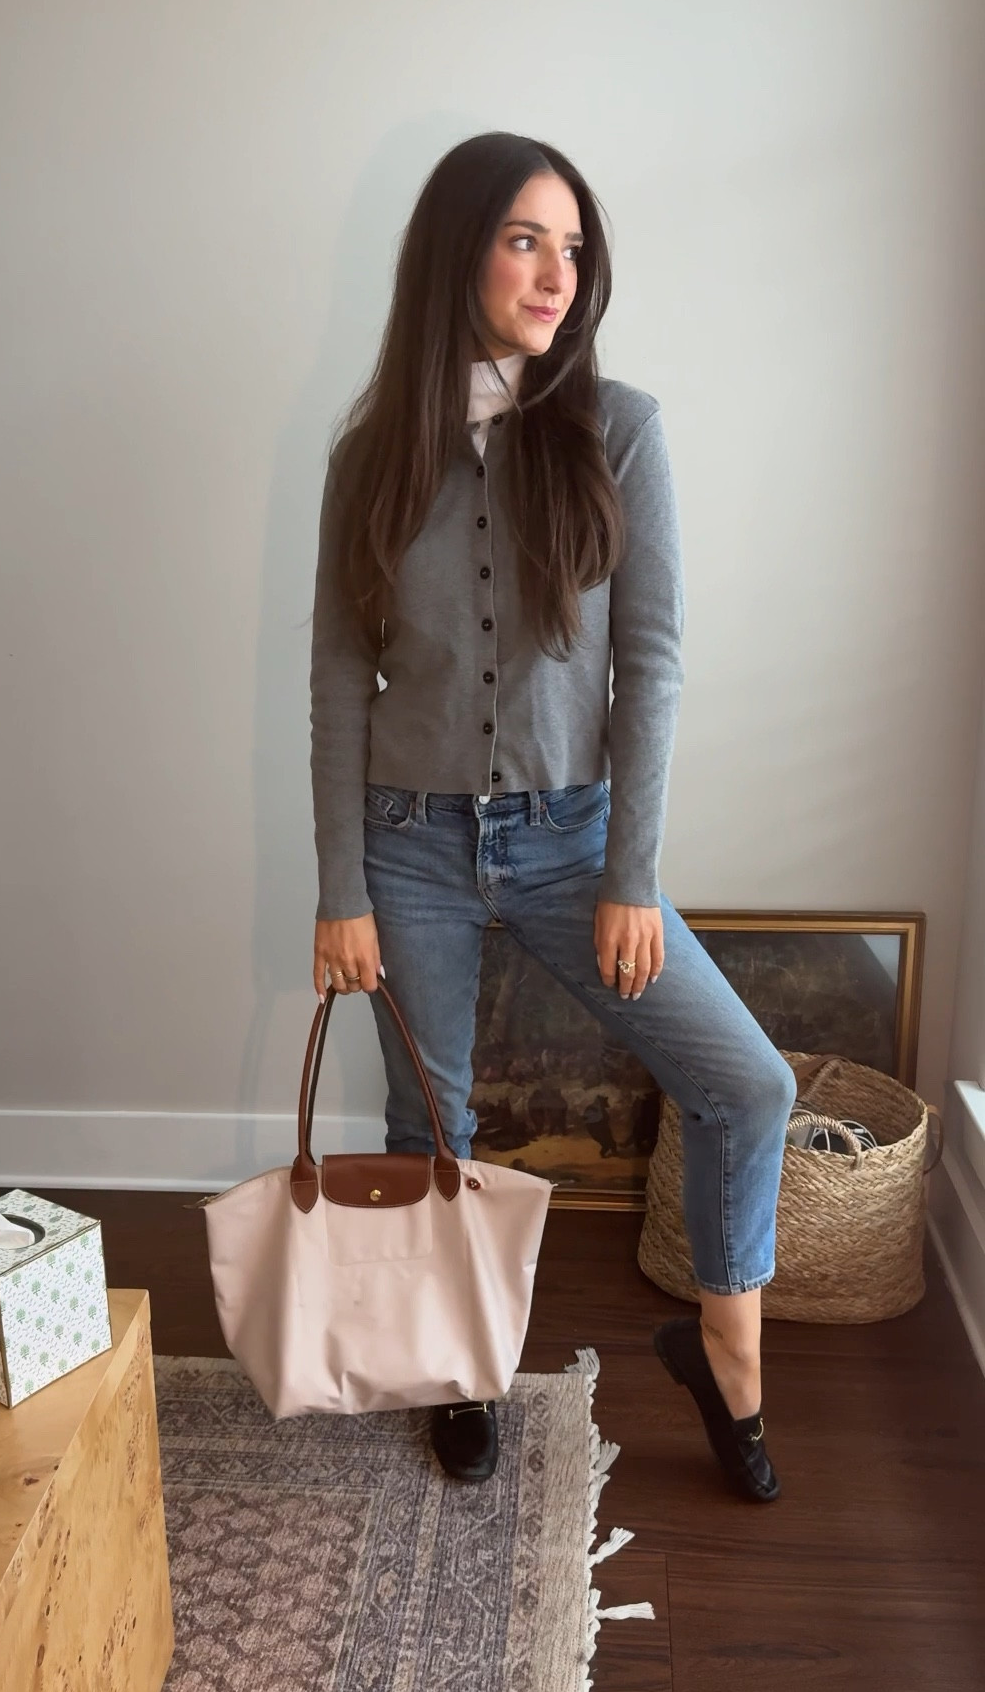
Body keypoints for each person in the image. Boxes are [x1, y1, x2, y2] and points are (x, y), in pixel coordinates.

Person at [308, 131, 797, 1503]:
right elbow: (340, 678)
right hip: (406, 841)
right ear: (457, 252)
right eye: (527, 238)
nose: (557, 272)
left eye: (573, 248)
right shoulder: (372, 456)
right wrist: (342, 885)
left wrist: (630, 872)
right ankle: (461, 1372)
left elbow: (655, 663)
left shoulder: (619, 431)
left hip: (577, 841)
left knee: (746, 1083)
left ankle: (729, 1360)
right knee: (435, 1126)